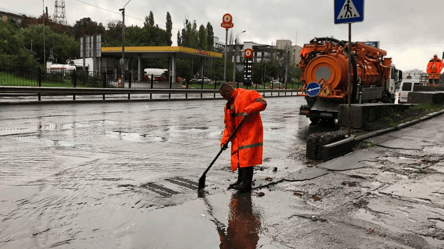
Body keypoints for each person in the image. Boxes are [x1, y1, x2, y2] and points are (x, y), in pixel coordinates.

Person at [219, 83, 267, 192]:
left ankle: (246, 185)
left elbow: (263, 103)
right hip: (238, 135)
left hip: (250, 133)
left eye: (223, 96)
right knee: (240, 158)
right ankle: (240, 180)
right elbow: (228, 126)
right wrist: (225, 141)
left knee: (247, 159)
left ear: (228, 92)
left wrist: (249, 109)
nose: (223, 98)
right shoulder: (227, 106)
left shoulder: (247, 94)